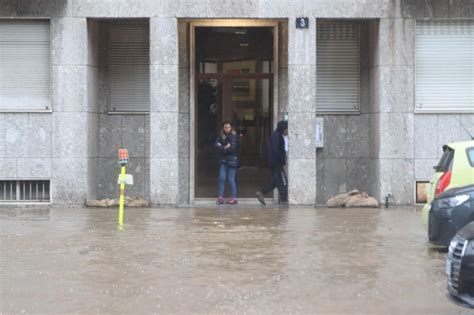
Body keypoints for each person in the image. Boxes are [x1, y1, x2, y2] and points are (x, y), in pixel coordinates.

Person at [256, 120, 288, 205]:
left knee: (276, 181)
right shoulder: (276, 136)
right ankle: (284, 202)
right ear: (283, 128)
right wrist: (281, 160)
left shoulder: (277, 135)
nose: (287, 131)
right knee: (282, 182)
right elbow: (275, 150)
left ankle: (262, 192)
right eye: (286, 129)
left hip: (275, 163)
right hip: (276, 163)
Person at [215, 120, 240, 205]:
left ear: (231, 127)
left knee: (231, 179)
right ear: (223, 128)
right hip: (223, 161)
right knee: (221, 178)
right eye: (225, 127)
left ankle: (233, 198)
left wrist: (222, 147)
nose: (227, 129)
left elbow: (233, 148)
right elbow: (215, 145)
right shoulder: (221, 136)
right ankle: (220, 198)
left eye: (228, 127)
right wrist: (224, 147)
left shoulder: (234, 136)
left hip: (232, 161)